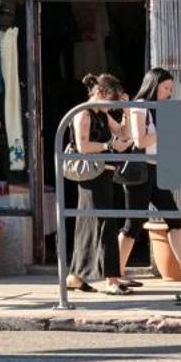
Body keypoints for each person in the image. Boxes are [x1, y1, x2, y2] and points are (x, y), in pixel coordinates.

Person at [116, 67, 181, 285]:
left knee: (174, 220)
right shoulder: (140, 107)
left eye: (170, 88)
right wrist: (168, 128)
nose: (169, 93)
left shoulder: (162, 109)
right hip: (140, 171)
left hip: (157, 170)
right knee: (133, 224)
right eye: (165, 88)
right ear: (154, 86)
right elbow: (140, 142)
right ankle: (116, 274)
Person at [65, 72, 130, 296]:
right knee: (104, 224)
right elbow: (83, 147)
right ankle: (111, 279)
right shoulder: (83, 113)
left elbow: (123, 132)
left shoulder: (102, 114)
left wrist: (127, 109)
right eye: (110, 101)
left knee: (90, 225)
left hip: (103, 174)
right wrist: (107, 146)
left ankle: (76, 276)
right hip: (91, 175)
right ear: (100, 93)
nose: (111, 107)